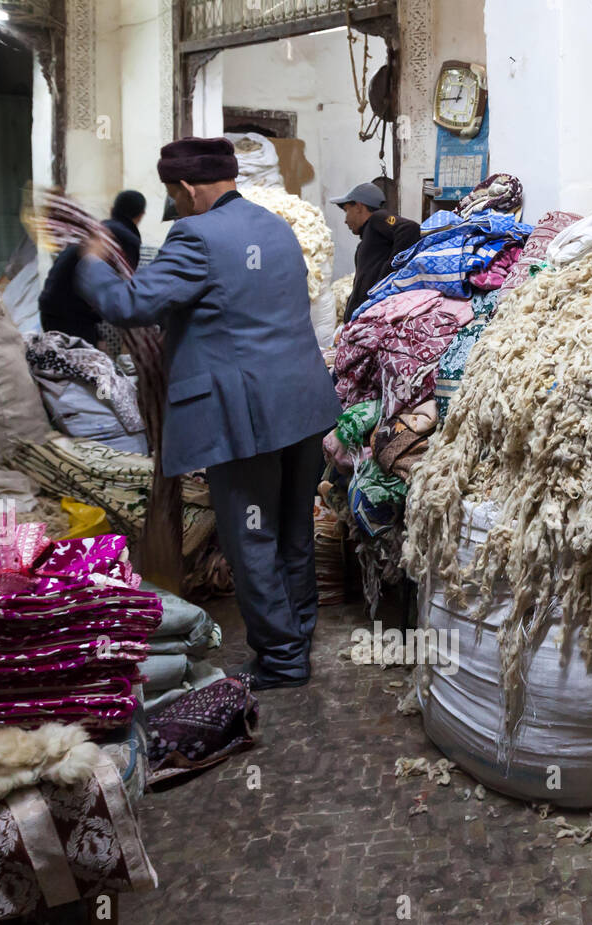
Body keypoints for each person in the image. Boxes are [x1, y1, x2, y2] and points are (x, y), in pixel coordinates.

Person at [75, 137, 342, 691]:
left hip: (246, 415)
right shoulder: (276, 227)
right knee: (293, 531)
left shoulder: (194, 235)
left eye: (174, 194)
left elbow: (131, 304)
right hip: (302, 403)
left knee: (252, 537)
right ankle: (298, 640)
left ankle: (282, 659)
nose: (175, 204)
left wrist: (92, 262)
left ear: (188, 189)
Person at [40, 189, 147, 345]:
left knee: (65, 363)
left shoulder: (96, 230)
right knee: (81, 364)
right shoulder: (126, 240)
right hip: (72, 315)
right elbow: (120, 289)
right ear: (141, 215)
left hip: (51, 306)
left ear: (112, 210)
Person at [334, 182, 420, 322]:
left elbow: (409, 229)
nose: (345, 220)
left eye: (346, 210)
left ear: (359, 206)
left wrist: (389, 273)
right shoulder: (369, 237)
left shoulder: (378, 218)